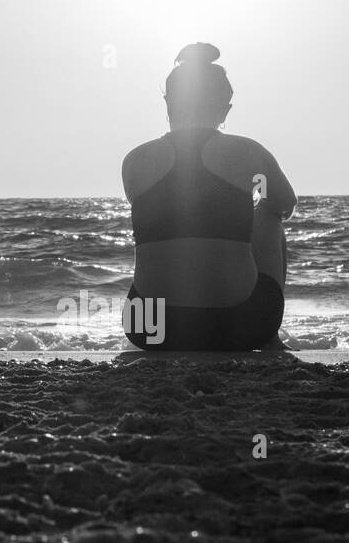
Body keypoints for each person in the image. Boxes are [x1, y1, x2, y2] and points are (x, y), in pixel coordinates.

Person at [121, 42, 296, 351]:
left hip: (146, 328)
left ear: (168, 103)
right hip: (240, 326)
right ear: (224, 108)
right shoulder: (247, 151)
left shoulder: (134, 161)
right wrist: (250, 202)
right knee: (269, 218)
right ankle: (271, 339)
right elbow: (285, 204)